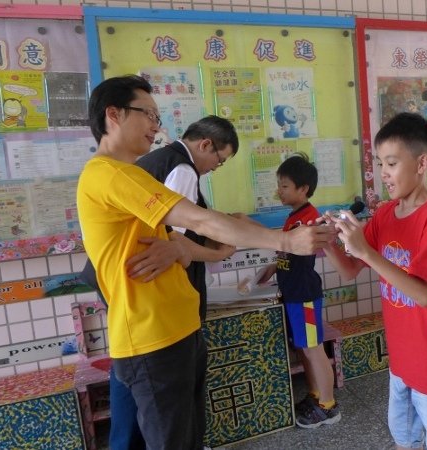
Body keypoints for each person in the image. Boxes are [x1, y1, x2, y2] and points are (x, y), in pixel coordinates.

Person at [78, 75, 335, 449]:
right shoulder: (111, 174)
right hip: (152, 336)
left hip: (172, 328)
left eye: (157, 116)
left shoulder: (132, 174)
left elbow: (182, 236)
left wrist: (202, 241)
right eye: (147, 114)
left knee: (182, 436)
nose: (155, 125)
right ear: (113, 115)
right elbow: (197, 221)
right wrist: (284, 240)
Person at [84, 115, 241, 449]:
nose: (217, 167)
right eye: (219, 159)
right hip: (152, 303)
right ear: (205, 145)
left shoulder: (151, 162)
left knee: (131, 382)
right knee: (166, 411)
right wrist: (223, 247)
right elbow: (175, 246)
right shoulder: (182, 169)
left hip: (124, 291)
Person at [322, 112, 427, 450]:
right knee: (403, 439)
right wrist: (327, 241)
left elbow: (425, 294)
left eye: (391, 163)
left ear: (421, 163)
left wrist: (368, 254)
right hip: (401, 357)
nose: (383, 173)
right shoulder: (386, 213)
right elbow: (349, 269)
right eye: (380, 164)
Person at [257, 154, 340, 429]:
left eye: (284, 186)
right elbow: (288, 251)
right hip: (293, 293)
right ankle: (316, 395)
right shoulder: (295, 217)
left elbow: (302, 249)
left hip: (304, 295)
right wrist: (273, 268)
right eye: (279, 185)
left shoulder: (309, 219)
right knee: (305, 348)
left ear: (303, 189)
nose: (278, 191)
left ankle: (329, 406)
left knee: (314, 349)